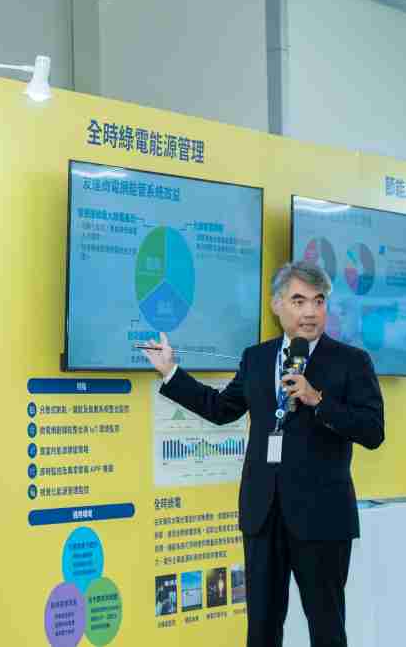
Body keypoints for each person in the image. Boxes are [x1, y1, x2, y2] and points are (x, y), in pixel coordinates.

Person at [142, 261, 384, 647]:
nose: (310, 312)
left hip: (321, 517)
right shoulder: (256, 358)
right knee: (261, 629)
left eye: (319, 301)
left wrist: (318, 399)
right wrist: (171, 372)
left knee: (327, 629)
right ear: (277, 305)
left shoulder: (352, 362)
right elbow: (221, 409)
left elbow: (372, 431)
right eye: (299, 301)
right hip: (263, 513)